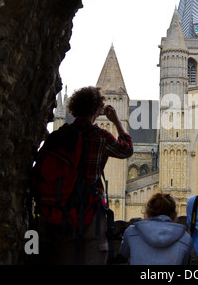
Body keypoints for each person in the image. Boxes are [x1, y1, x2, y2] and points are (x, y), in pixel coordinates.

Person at [37, 86, 133, 264]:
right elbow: (126, 150)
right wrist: (117, 122)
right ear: (97, 109)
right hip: (90, 208)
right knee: (94, 255)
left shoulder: (59, 136)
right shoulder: (99, 136)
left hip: (61, 208)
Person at [119, 193, 193, 265]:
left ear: (147, 213)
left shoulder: (131, 232)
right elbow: (184, 261)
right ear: (175, 214)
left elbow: (124, 253)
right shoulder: (186, 239)